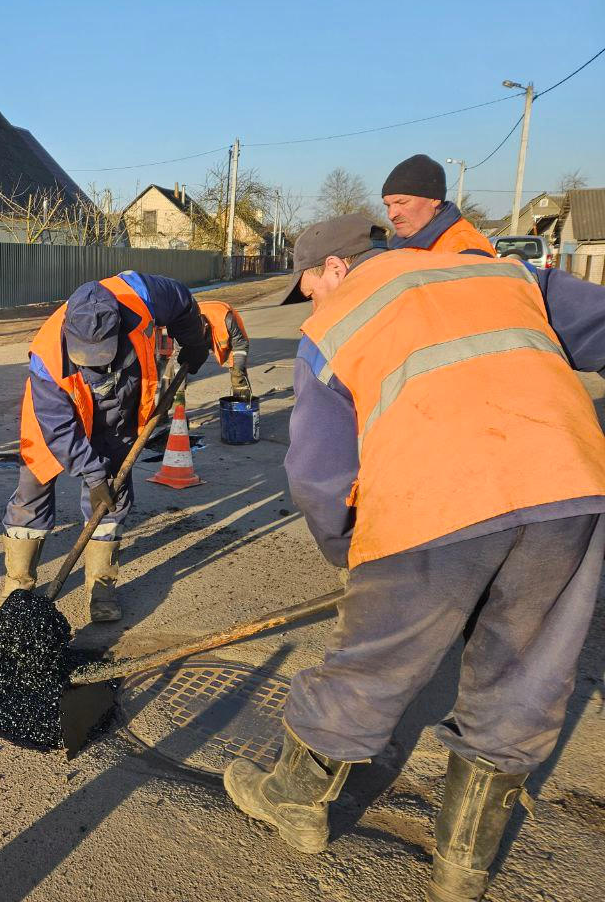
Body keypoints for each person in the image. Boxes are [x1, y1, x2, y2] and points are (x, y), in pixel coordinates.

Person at [230, 213, 605, 901]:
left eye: (308, 286)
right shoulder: (507, 271)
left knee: (373, 660)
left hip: (437, 495)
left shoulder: (337, 323)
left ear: (338, 269)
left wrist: (351, 551)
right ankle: (462, 868)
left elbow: (319, 476)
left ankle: (294, 798)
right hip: (570, 488)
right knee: (526, 675)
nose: (311, 303)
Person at [0, 271, 209, 622]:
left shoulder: (143, 293)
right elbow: (59, 427)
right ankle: (17, 588)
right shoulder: (47, 357)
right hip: (56, 418)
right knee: (31, 491)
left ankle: (102, 588)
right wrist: (92, 475)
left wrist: (194, 340)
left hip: (118, 409)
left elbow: (183, 301)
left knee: (114, 494)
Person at [381, 154, 495, 256]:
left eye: (402, 203)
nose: (391, 215)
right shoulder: (397, 242)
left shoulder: (465, 249)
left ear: (434, 199)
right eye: (388, 205)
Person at [197, 299, 252, 402]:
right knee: (174, 376)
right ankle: (168, 412)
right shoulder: (184, 323)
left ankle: (243, 405)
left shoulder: (227, 319)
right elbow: (178, 353)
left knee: (237, 374)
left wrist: (238, 369)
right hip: (204, 329)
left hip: (232, 337)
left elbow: (240, 344)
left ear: (205, 327)